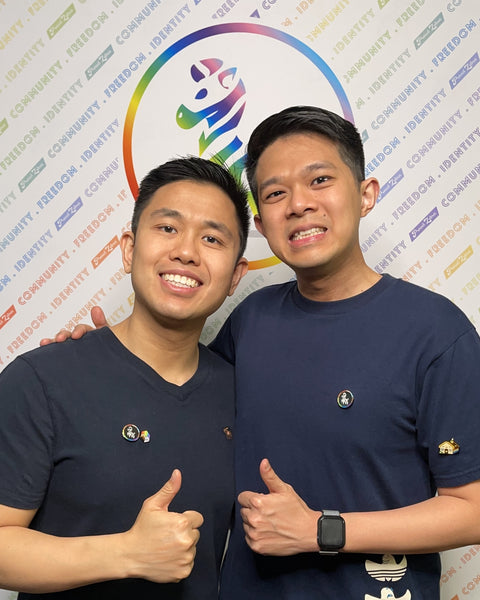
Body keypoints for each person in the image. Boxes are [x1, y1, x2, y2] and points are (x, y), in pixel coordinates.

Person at [42, 107, 480, 599]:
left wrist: (323, 531)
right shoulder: (252, 321)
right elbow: (176, 386)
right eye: (275, 193)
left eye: (319, 180)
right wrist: (94, 356)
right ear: (261, 223)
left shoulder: (436, 333)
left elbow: (473, 506)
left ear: (365, 194)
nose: (298, 204)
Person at [0, 156, 249, 599]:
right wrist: (127, 554)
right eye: (168, 228)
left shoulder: (243, 395)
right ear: (129, 248)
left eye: (212, 238)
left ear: (236, 276)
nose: (186, 251)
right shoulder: (42, 381)